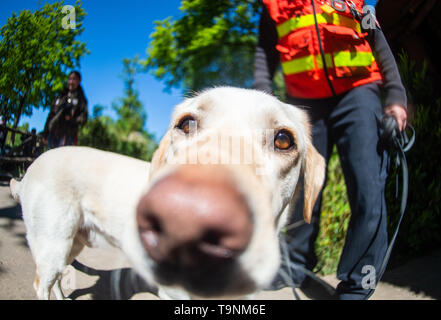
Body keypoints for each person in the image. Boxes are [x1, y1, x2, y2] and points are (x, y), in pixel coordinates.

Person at [253, 0, 408, 299]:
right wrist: (263, 99)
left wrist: (396, 96)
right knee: (300, 187)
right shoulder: (274, 5)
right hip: (304, 102)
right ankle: (294, 265)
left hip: (359, 93)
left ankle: (358, 283)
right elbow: (264, 53)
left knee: (367, 186)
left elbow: (377, 40)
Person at [43, 71, 88, 149]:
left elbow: (84, 118)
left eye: (74, 79)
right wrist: (45, 133)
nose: (71, 82)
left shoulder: (81, 99)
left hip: (69, 135)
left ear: (79, 81)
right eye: (70, 79)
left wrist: (71, 119)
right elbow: (51, 114)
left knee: (63, 159)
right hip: (53, 133)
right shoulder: (60, 96)